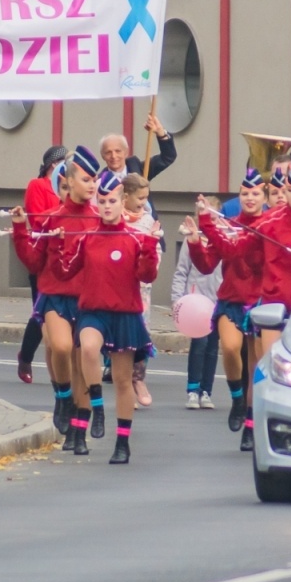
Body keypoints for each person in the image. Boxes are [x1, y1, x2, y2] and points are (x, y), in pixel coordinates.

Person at [199, 147, 291, 450]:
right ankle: (260, 424)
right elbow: (235, 251)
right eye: (290, 189)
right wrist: (207, 224)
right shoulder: (271, 221)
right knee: (271, 371)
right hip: (274, 310)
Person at [49, 169, 161, 465]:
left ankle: (122, 442)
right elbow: (64, 271)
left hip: (124, 316)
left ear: (122, 201)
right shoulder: (87, 237)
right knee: (86, 348)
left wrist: (150, 245)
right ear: (97, 203)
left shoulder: (135, 238)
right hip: (93, 312)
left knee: (124, 381)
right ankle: (97, 405)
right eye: (102, 201)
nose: (107, 206)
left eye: (112, 200)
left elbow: (147, 275)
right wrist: (59, 243)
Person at [11, 146, 102, 453]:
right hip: (54, 295)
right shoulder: (50, 218)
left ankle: (79, 430)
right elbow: (34, 263)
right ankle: (62, 397)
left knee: (83, 363)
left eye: (95, 180)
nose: (91, 185)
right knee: (61, 348)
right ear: (68, 180)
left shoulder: (100, 221)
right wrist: (21, 229)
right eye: (86, 179)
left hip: (88, 300)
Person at [190, 169, 266, 431]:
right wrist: (194, 242)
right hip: (231, 299)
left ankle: (251, 421)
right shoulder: (230, 224)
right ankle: (236, 399)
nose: (250, 198)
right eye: (245, 193)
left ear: (264, 196)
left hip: (259, 301)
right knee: (231, 348)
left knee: (256, 364)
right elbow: (207, 264)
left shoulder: (269, 226)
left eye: (255, 193)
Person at [16, 145, 68, 384]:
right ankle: (26, 356)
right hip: (44, 254)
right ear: (52, 165)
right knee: (40, 313)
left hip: (65, 256)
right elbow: (37, 218)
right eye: (62, 162)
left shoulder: (70, 187)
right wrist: (60, 212)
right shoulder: (37, 186)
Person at [175, 203, 223, 411]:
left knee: (213, 347)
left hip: (217, 302)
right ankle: (192, 390)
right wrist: (178, 298)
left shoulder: (222, 241)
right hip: (195, 304)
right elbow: (181, 272)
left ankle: (206, 391)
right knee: (200, 344)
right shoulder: (190, 241)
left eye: (212, 217)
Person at [120, 172, 158, 407]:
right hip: (121, 286)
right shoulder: (117, 220)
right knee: (122, 339)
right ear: (125, 197)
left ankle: (139, 378)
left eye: (146, 198)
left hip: (141, 289)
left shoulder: (147, 221)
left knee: (141, 335)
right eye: (139, 198)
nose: (143, 203)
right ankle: (124, 383)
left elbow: (156, 251)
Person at [99, 115, 177, 178]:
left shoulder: (139, 169)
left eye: (118, 151)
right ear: (103, 156)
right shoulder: (99, 181)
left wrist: (161, 133)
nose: (113, 156)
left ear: (126, 152)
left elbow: (168, 157)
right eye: (108, 152)